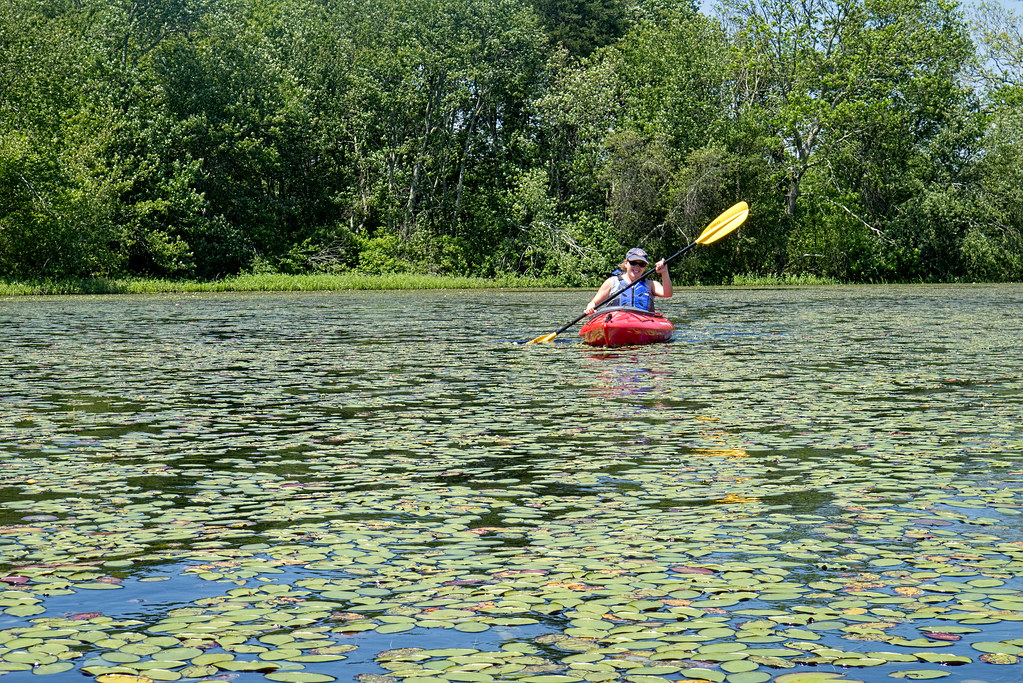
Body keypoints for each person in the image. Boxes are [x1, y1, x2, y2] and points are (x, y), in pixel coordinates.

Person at [585, 247, 672, 315]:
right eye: (633, 263)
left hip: (644, 321)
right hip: (616, 321)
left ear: (645, 267)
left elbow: (667, 294)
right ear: (626, 263)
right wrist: (591, 306)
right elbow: (593, 303)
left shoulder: (651, 284)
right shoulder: (612, 282)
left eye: (642, 264)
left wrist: (664, 272)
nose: (637, 267)